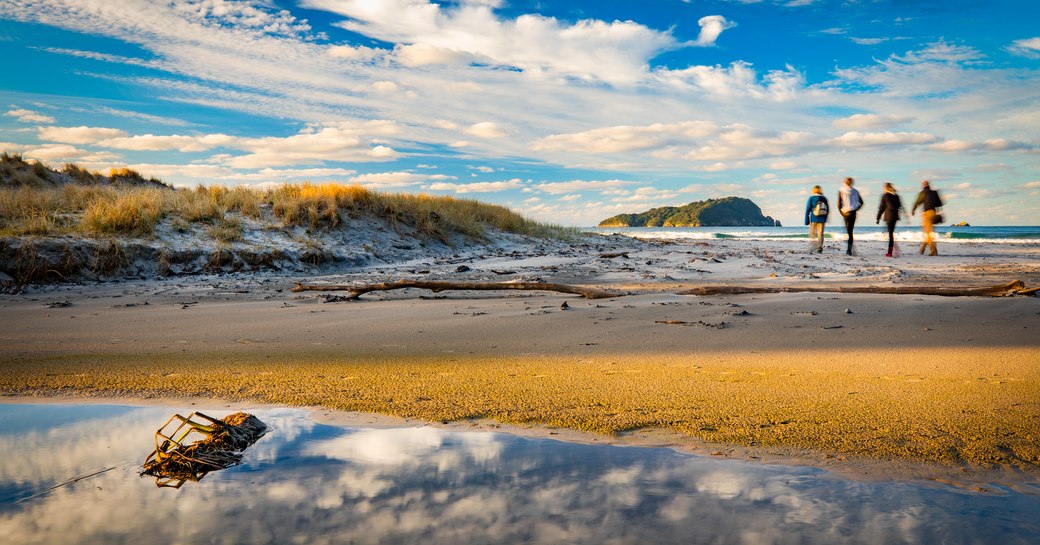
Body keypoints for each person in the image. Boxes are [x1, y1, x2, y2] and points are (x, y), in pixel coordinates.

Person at [911, 180, 943, 255]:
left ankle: (933, 250)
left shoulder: (923, 193)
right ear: (929, 185)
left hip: (927, 214)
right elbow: (940, 203)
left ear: (923, 186)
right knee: (929, 232)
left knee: (928, 232)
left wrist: (913, 210)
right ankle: (923, 249)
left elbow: (917, 202)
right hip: (934, 213)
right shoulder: (934, 192)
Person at [875, 183, 907, 257]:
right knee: (890, 233)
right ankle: (894, 249)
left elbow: (882, 208)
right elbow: (900, 206)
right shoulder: (896, 196)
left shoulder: (885, 195)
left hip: (889, 217)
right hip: (895, 217)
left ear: (885, 188)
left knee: (890, 234)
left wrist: (878, 218)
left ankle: (891, 252)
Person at [836, 177, 863, 255]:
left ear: (845, 183)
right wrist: (856, 209)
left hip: (845, 212)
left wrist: (841, 212)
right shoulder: (856, 191)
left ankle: (849, 250)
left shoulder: (841, 190)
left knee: (848, 231)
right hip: (853, 213)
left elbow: (838, 203)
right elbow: (861, 202)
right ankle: (849, 249)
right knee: (850, 232)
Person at [804, 185, 829, 253]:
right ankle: (820, 248)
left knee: (812, 233)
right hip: (822, 219)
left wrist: (806, 219)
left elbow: (807, 209)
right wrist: (826, 218)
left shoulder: (811, 198)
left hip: (814, 219)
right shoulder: (824, 198)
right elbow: (827, 209)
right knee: (820, 234)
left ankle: (813, 246)